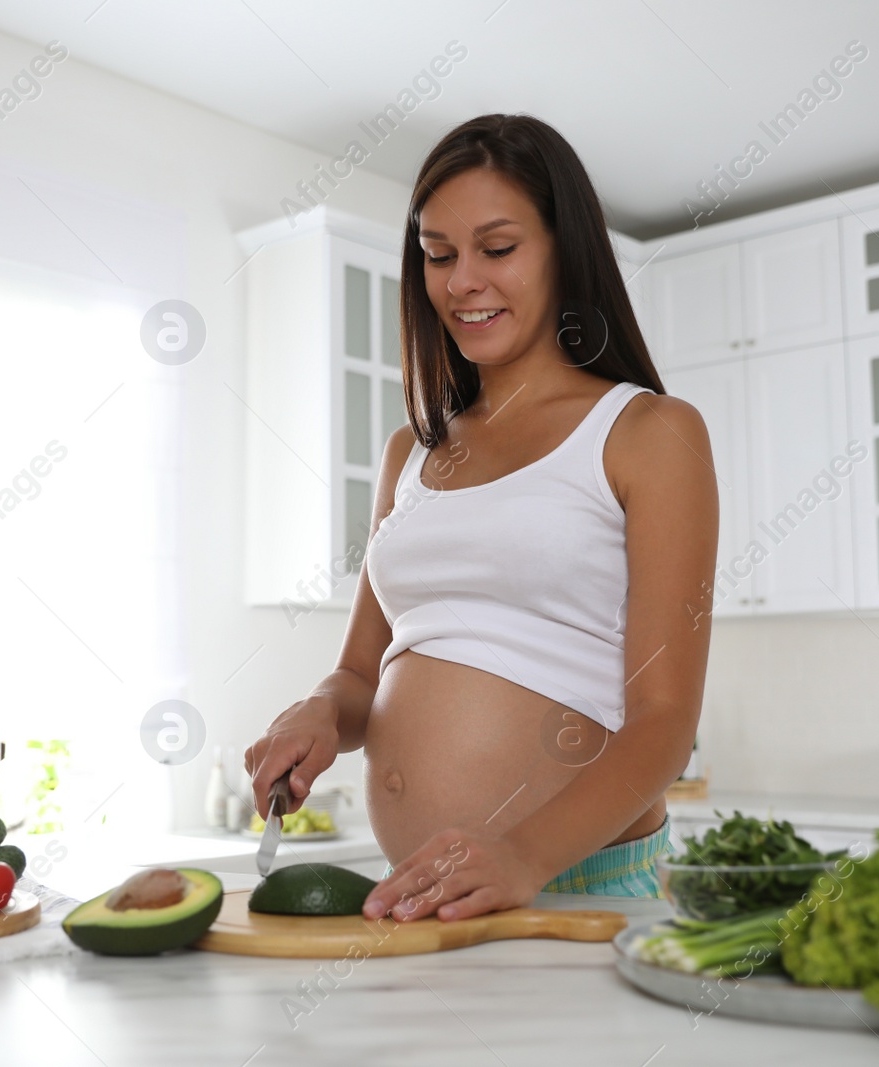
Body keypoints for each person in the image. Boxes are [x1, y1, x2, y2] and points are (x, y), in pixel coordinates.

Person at [244, 113, 717, 922]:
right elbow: (362, 673)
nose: (462, 280)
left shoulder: (647, 433)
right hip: (428, 896)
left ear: (566, 251)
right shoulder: (413, 452)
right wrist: (322, 709)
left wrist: (522, 855)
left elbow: (665, 722)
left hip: (576, 884)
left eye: (497, 249)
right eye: (438, 255)